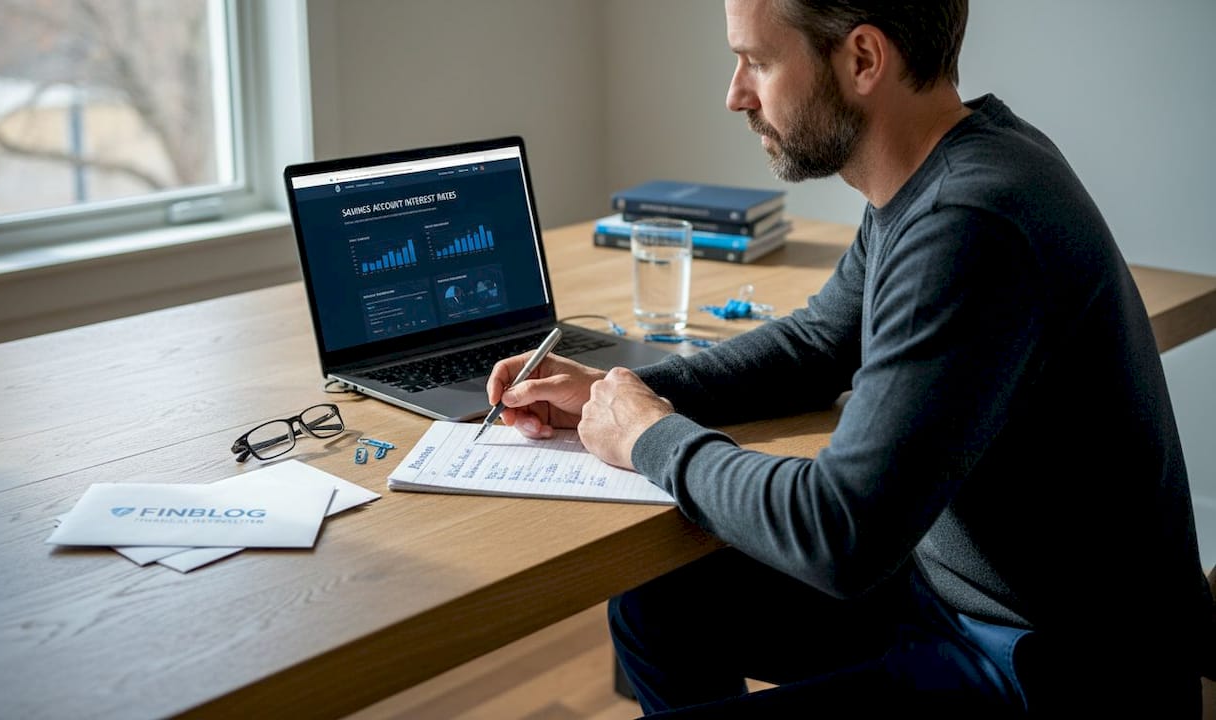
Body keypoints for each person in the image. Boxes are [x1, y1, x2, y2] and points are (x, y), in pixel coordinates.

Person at [486, 0, 1213, 716]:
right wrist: (623, 389)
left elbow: (841, 533)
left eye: (758, 61)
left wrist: (650, 435)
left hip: (1056, 670)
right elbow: (818, 342)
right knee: (655, 602)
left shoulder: (971, 219)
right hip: (951, 596)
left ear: (862, 58)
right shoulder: (946, 166)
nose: (735, 93)